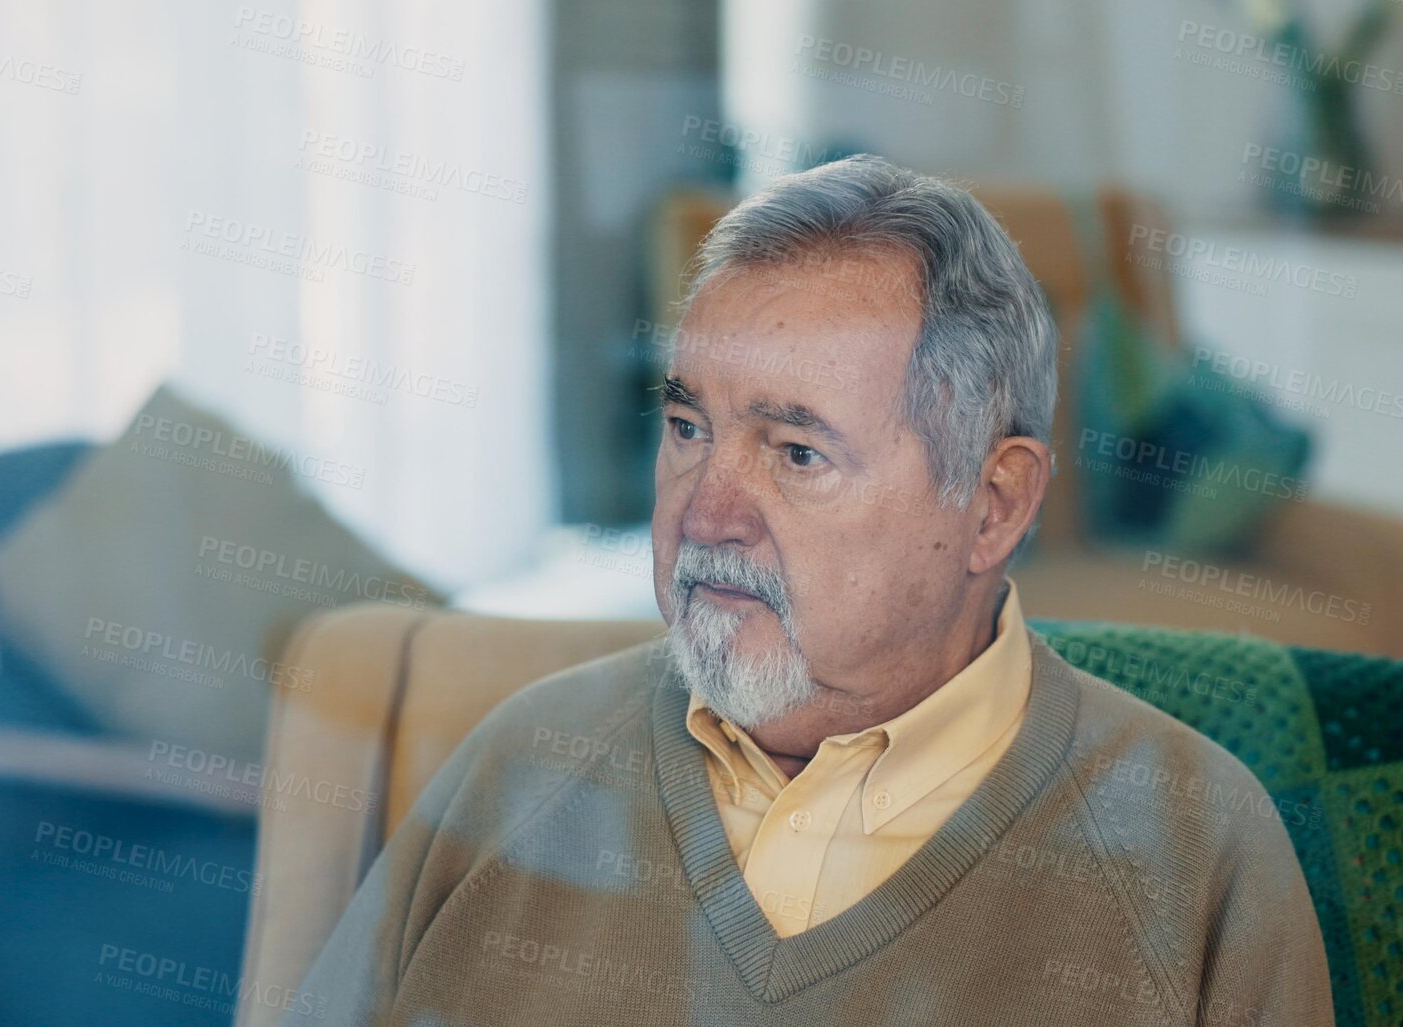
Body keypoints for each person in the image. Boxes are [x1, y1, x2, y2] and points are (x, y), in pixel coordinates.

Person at [289, 155, 1332, 1025]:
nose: (705, 516)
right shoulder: (520, 767)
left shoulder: (1198, 854)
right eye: (689, 427)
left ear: (994, 504)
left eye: (795, 453)